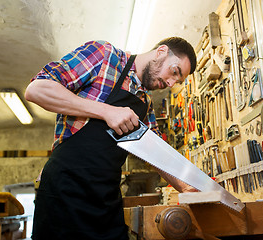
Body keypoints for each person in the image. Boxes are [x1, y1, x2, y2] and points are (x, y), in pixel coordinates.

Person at [25, 37, 197, 240]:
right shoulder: (105, 56)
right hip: (65, 189)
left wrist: (188, 188)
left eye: (177, 81)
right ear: (161, 51)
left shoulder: (145, 103)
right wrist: (107, 111)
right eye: (174, 72)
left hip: (105, 198)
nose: (170, 83)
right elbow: (37, 90)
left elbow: (157, 155)